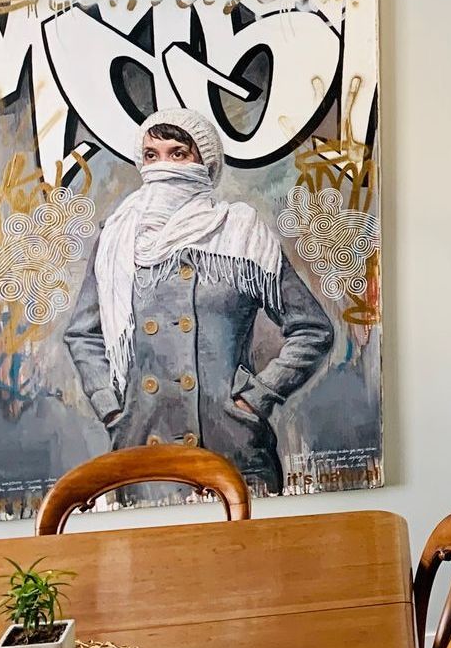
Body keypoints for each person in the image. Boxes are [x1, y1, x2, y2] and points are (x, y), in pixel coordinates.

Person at [64, 108, 331, 496]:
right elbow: (82, 334)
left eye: (178, 153)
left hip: (231, 444)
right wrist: (112, 408)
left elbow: (313, 329)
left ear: (204, 163)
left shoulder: (242, 233)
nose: (163, 167)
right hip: (143, 443)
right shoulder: (117, 239)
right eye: (152, 155)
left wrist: (256, 400)